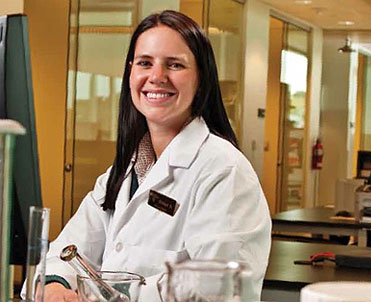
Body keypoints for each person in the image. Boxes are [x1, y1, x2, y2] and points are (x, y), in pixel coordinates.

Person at [30, 10, 271, 302]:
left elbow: (217, 289)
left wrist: (106, 291)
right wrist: (54, 286)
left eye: (175, 65)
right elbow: (65, 251)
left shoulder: (224, 171)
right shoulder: (122, 173)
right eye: (145, 63)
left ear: (201, 79)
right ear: (130, 73)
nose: (157, 77)